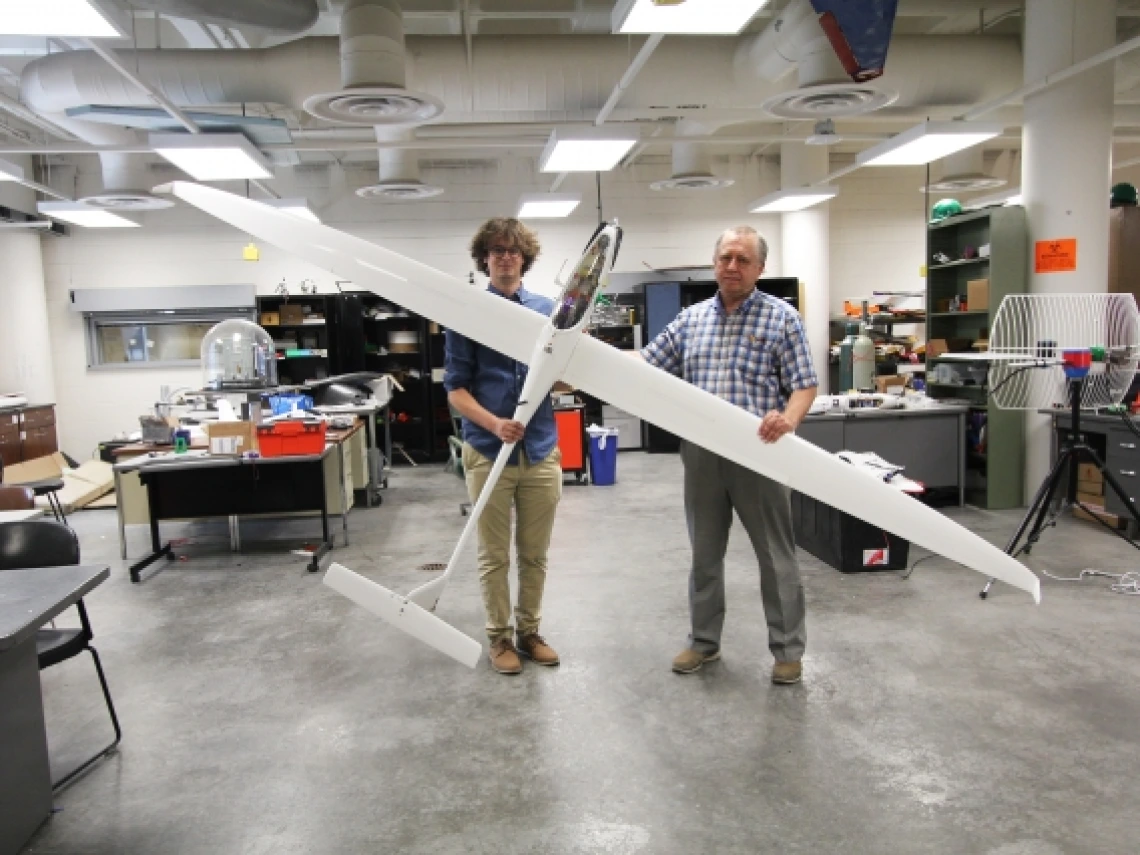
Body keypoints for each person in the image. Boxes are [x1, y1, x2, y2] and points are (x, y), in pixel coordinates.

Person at [639, 225, 818, 685]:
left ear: (760, 268)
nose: (732, 267)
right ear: (714, 263)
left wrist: (789, 419)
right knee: (704, 554)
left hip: (760, 451)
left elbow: (804, 384)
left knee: (775, 556)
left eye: (742, 259)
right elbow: (644, 367)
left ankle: (787, 650)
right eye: (725, 258)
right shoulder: (689, 320)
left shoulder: (782, 318)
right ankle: (703, 642)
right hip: (701, 454)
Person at [443, 217, 563, 675]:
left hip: (539, 450)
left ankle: (530, 632)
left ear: (524, 258)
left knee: (534, 553)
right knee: (494, 554)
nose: (505, 256)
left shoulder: (548, 312)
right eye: (496, 250)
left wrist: (580, 357)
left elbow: (562, 378)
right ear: (485, 258)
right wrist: (495, 424)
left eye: (512, 250)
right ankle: (500, 638)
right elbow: (455, 389)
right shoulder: (468, 312)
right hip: (489, 451)